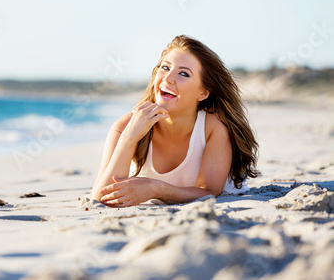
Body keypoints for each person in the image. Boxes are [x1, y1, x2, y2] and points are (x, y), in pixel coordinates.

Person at [90, 35, 259, 207]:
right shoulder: (125, 126)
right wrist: (129, 138)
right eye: (165, 67)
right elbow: (100, 199)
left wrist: (156, 189)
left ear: (203, 92)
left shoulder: (213, 127)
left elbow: (208, 192)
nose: (168, 78)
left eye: (183, 73)